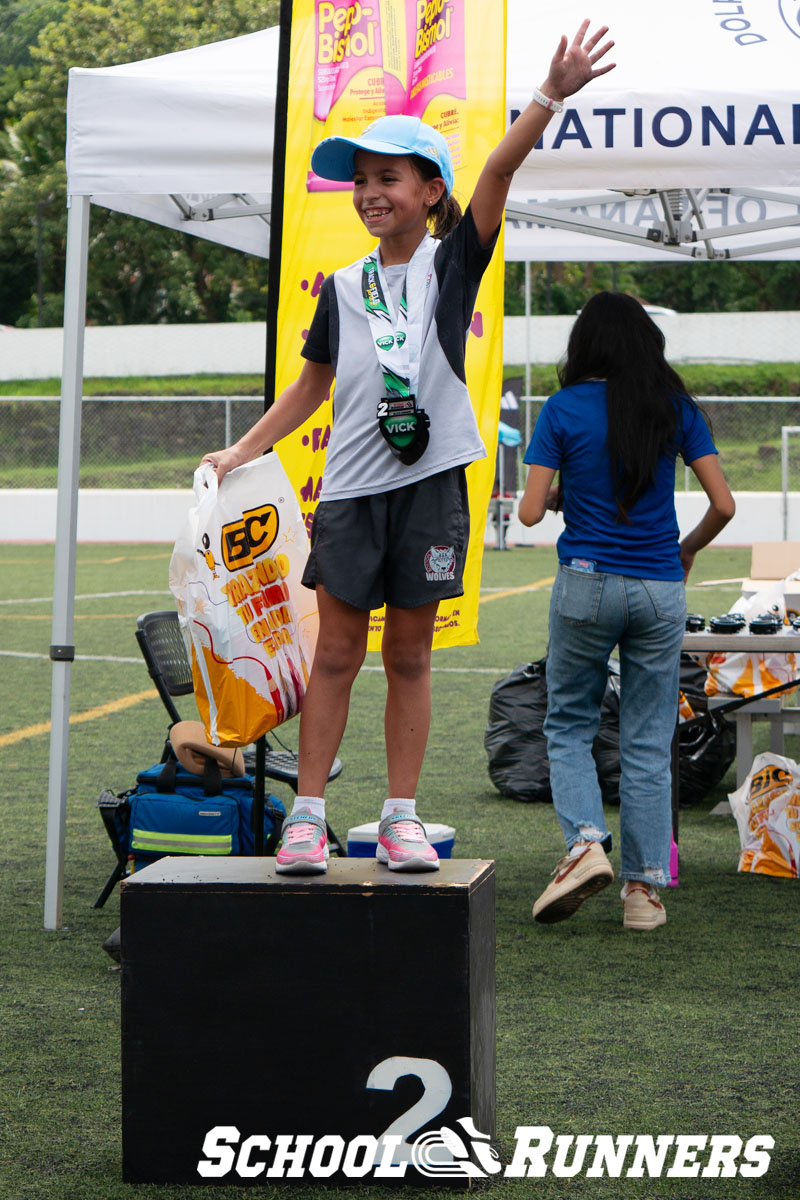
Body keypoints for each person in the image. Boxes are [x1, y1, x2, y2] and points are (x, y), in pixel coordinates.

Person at [202, 21, 615, 875]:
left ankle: (400, 817)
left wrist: (550, 95)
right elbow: (312, 385)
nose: (368, 193)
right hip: (350, 491)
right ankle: (308, 817)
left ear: (431, 191)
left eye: (386, 178)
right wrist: (242, 449)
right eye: (360, 182)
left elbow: (498, 170)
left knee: (410, 653)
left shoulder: (453, 263)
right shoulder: (345, 287)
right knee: (338, 652)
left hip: (431, 484)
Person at [519, 291, 735, 929]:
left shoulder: (562, 408)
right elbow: (722, 504)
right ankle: (644, 893)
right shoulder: (674, 409)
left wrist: (562, 493)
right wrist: (687, 549)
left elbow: (529, 511)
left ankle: (585, 843)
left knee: (568, 726)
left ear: (585, 345)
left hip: (585, 583)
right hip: (659, 587)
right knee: (647, 740)